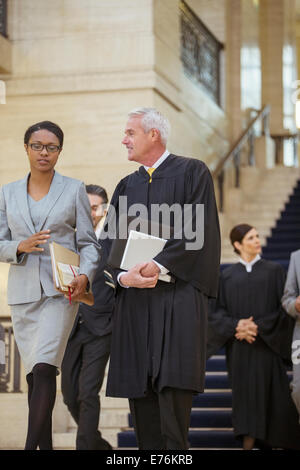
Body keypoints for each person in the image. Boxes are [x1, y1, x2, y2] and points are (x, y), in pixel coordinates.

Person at [104, 107, 220, 450]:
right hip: (136, 304)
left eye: (130, 132)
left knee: (173, 401)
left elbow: (200, 232)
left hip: (177, 298)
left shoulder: (192, 172)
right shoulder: (126, 185)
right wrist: (124, 278)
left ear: (153, 134)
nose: (123, 139)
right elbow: (110, 243)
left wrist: (158, 264)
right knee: (142, 407)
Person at [0, 121, 100, 450]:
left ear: (60, 150)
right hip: (23, 294)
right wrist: (18, 246)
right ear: (26, 147)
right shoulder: (7, 192)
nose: (44, 152)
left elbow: (88, 243)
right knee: (34, 376)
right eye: (37, 145)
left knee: (44, 368)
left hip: (62, 292)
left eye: (52, 147)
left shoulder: (73, 189)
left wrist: (85, 274)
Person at [207, 223, 300, 450]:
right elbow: (216, 314)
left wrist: (256, 327)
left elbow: (283, 310)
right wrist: (236, 325)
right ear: (238, 245)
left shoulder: (275, 271)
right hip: (240, 349)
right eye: (251, 238)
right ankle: (248, 442)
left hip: (268, 347)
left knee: (274, 397)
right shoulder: (226, 276)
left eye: (257, 236)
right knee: (245, 398)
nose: (257, 241)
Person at [61, 184, 114, 450]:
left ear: (104, 209)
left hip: (101, 326)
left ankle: (85, 447)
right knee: (70, 395)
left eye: (95, 207)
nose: (90, 213)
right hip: (71, 325)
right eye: (86, 207)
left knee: (87, 393)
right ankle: (99, 446)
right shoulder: (69, 239)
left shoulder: (115, 240)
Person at [282, 249, 300, 420]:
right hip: (299, 339)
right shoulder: (296, 257)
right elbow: (287, 299)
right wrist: (295, 305)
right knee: (298, 390)